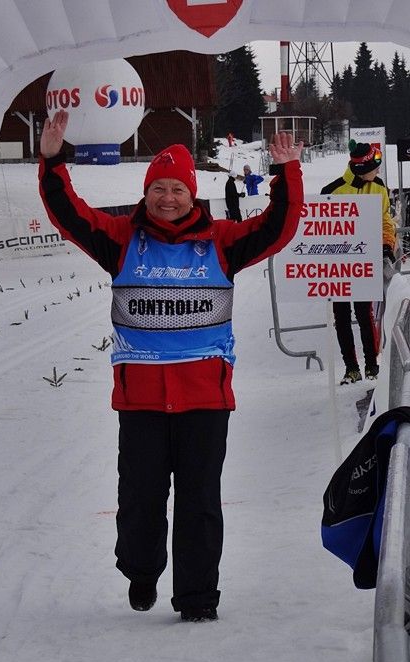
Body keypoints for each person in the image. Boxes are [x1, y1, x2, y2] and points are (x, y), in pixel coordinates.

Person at [39, 110, 303, 622]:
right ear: (145, 193)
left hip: (205, 397)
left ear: (192, 194)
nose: (167, 198)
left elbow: (277, 228)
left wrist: (287, 172)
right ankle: (142, 572)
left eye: (177, 189)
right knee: (141, 498)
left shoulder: (221, 241)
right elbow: (70, 216)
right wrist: (52, 162)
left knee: (199, 500)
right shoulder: (121, 239)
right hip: (140, 400)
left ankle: (198, 598)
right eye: (158, 188)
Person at [321, 141, 396, 384]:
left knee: (365, 314)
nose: (378, 171)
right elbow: (320, 230)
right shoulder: (333, 190)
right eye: (375, 167)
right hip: (338, 265)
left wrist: (386, 245)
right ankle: (351, 368)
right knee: (341, 316)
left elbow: (386, 220)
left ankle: (372, 366)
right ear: (362, 169)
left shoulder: (379, 187)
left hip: (364, 263)